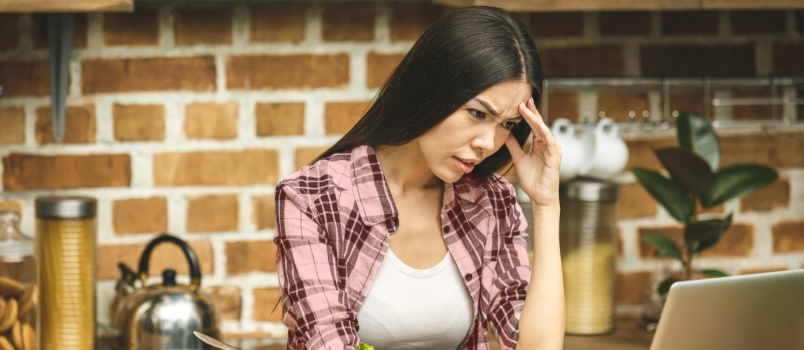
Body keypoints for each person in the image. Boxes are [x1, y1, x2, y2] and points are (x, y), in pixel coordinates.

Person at [274, 6, 565, 350]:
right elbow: (325, 341)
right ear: (433, 90)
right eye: (477, 113)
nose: (488, 143)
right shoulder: (311, 198)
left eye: (507, 125)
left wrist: (546, 205)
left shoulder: (491, 202)